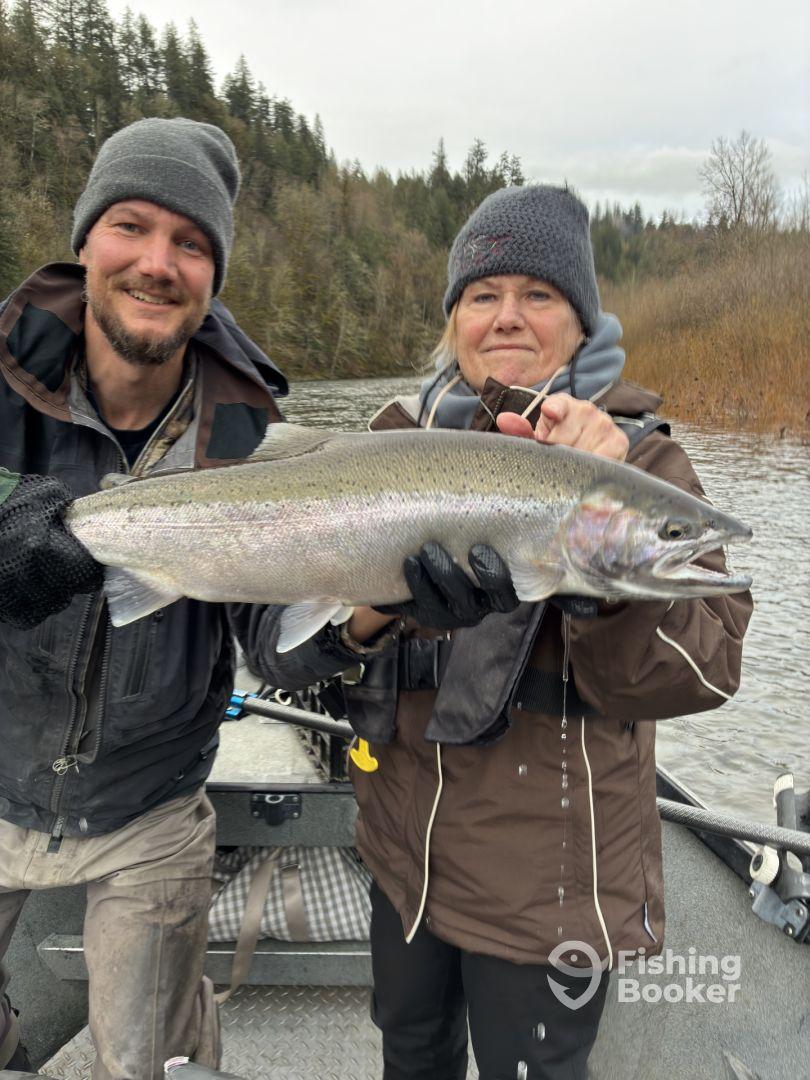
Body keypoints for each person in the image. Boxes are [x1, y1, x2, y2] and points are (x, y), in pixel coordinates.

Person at [244, 185, 754, 1079]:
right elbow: (277, 652)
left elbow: (705, 672)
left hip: (548, 892)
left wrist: (601, 587)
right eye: (483, 295)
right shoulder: (385, 442)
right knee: (412, 1056)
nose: (507, 316)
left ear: (581, 322)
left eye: (539, 294)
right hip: (404, 863)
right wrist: (375, 610)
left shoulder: (642, 464)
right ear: (453, 320)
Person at [0, 118, 287, 1078]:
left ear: (214, 275)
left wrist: (375, 608)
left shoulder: (254, 438)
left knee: (143, 1067)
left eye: (192, 243)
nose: (158, 263)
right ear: (85, 240)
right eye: (131, 226)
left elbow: (282, 646)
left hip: (151, 810)